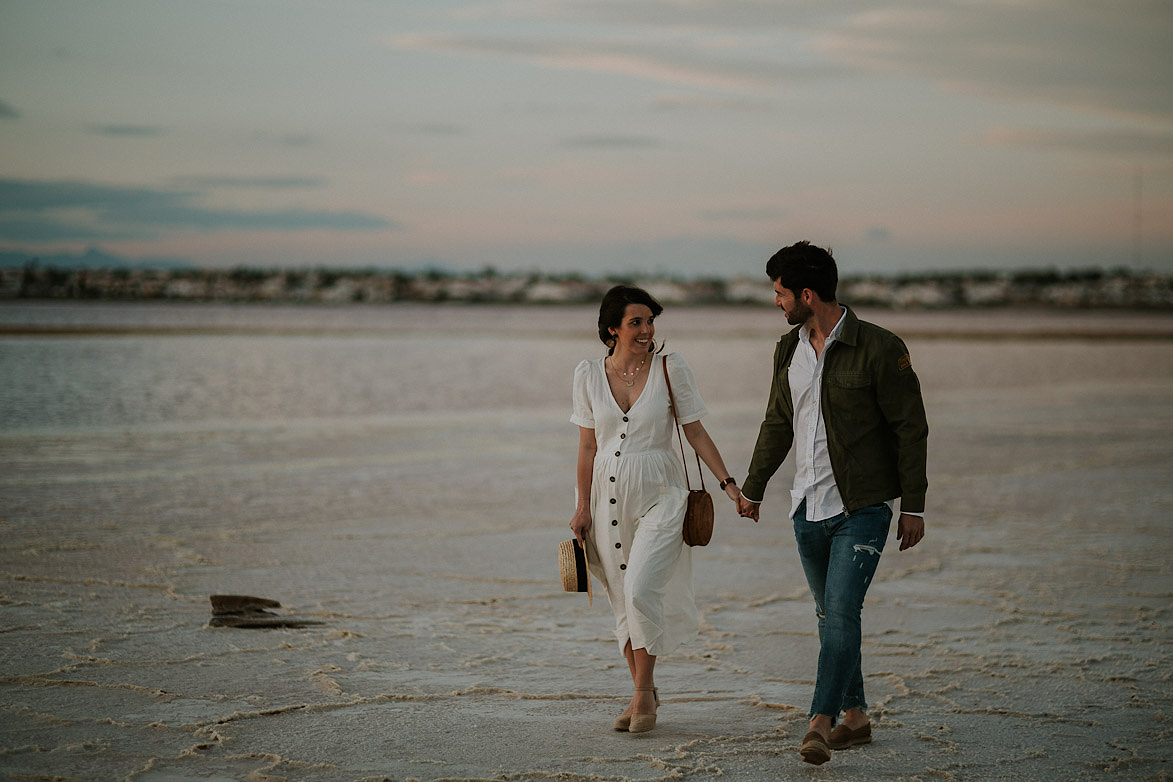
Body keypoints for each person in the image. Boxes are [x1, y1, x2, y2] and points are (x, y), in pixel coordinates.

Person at [736, 241, 928, 765]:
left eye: (779, 293)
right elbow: (778, 423)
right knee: (831, 618)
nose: (775, 302)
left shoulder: (880, 348)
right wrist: (753, 488)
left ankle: (820, 722)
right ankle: (858, 717)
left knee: (843, 612)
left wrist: (914, 505)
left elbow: (911, 427)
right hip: (806, 509)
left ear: (806, 293)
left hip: (861, 506)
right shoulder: (788, 351)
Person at [570, 284, 742, 734]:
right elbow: (587, 448)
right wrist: (579, 507)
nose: (647, 330)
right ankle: (641, 689)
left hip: (662, 493)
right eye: (636, 323)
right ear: (612, 329)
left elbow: (695, 432)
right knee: (621, 599)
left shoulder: (670, 367)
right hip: (605, 498)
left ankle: (643, 695)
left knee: (643, 586)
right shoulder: (588, 374)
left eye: (650, 321)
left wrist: (728, 484)